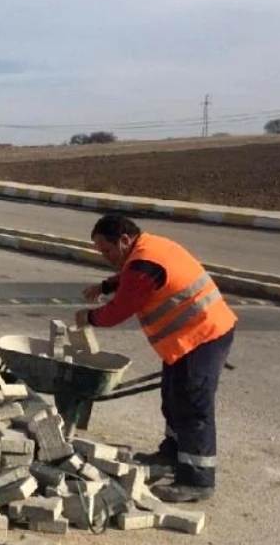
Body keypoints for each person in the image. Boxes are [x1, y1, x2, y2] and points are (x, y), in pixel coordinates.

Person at [76, 214, 237, 503]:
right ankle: (172, 455)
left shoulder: (144, 264)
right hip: (189, 338)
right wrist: (106, 285)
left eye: (107, 251)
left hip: (203, 336)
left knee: (192, 405)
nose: (106, 257)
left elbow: (118, 310)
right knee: (173, 397)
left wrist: (88, 317)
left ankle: (197, 479)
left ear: (124, 240)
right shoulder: (147, 248)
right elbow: (129, 275)